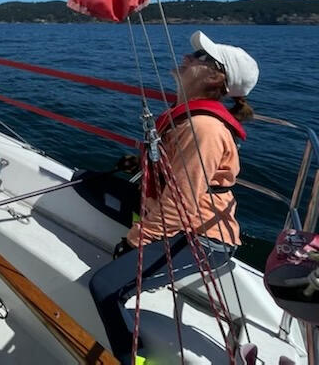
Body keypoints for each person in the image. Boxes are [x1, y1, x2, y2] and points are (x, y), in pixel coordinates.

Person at [88, 31, 259, 364]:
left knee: (105, 288)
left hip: (202, 238)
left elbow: (182, 205)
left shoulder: (203, 130)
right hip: (170, 211)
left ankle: (136, 360)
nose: (187, 58)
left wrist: (135, 242)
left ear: (215, 77)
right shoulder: (190, 119)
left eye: (199, 58)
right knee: (87, 182)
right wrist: (140, 164)